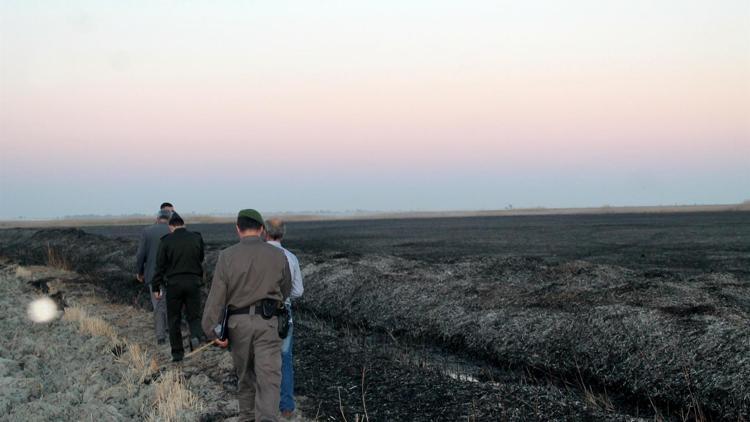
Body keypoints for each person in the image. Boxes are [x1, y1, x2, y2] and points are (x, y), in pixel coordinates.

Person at [202, 209, 291, 422]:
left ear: (238, 230)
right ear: (261, 229)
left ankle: (247, 418)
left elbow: (216, 297)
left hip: (237, 326)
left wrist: (210, 331)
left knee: (245, 378)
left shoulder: (227, 256)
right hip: (269, 323)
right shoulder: (278, 255)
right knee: (268, 378)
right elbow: (286, 289)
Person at [152, 212, 207, 362]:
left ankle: (177, 353)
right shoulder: (196, 237)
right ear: (184, 225)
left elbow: (160, 266)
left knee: (174, 319)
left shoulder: (166, 241)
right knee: (194, 316)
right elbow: (201, 257)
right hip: (193, 282)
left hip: (174, 285)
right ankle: (196, 337)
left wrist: (156, 287)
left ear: (171, 227)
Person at [264, 218, 303, 418]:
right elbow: (298, 291)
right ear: (283, 234)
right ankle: (286, 407)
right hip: (284, 314)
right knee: (284, 359)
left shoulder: (258, 256)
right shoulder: (291, 257)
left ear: (265, 232)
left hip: (260, 315)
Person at [135, 209, 172, 344]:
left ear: (157, 218)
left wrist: (139, 272)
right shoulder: (172, 231)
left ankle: (161, 336)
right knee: (169, 302)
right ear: (169, 219)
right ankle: (169, 329)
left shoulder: (147, 231)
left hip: (153, 275)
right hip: (171, 275)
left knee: (158, 305)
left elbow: (140, 255)